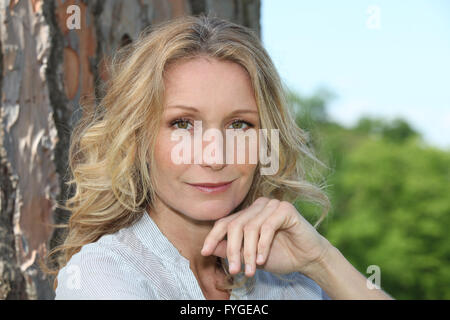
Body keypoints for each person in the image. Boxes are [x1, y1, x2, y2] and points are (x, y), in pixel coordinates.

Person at [44, 14, 394, 300]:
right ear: (138, 138)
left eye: (239, 125)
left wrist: (321, 260)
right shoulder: (101, 276)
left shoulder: (288, 278)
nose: (215, 157)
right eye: (183, 124)